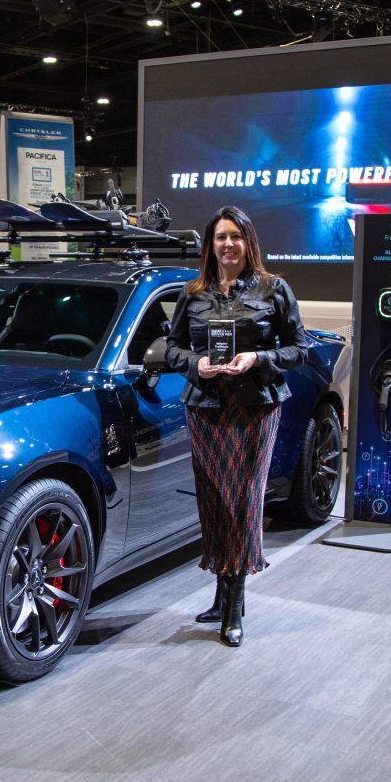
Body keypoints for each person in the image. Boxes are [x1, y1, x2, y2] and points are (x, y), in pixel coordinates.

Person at [165, 206, 309, 647]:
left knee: (242, 500)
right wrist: (196, 364)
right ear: (211, 244)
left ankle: (234, 604)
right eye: (220, 237)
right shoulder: (194, 293)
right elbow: (171, 349)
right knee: (213, 499)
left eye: (235, 237)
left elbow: (300, 349)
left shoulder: (274, 289)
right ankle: (222, 593)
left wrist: (259, 359)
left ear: (249, 242)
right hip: (206, 407)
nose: (228, 244)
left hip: (255, 410)